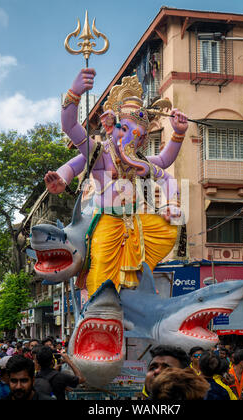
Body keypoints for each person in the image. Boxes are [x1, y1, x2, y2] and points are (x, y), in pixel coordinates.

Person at [44, 68, 188, 297]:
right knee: (101, 276)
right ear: (110, 125)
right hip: (107, 221)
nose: (134, 138)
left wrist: (178, 134)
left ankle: (137, 287)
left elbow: (164, 162)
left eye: (140, 135)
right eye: (127, 130)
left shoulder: (138, 161)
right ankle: (98, 308)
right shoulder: (99, 153)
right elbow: (70, 128)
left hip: (137, 220)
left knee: (168, 229)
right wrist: (74, 92)